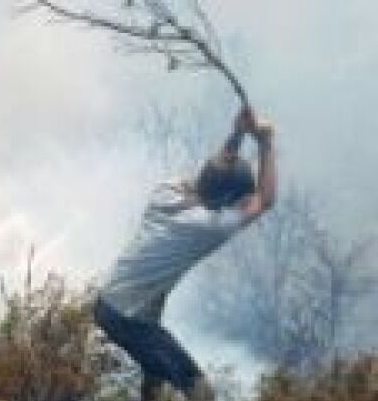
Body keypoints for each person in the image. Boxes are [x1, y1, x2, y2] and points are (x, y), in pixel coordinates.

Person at [95, 107, 277, 400]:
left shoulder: (166, 193)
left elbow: (214, 174)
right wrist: (266, 143)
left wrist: (238, 133)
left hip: (114, 304)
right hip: (129, 318)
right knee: (201, 392)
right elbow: (265, 201)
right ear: (227, 201)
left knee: (154, 375)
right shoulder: (207, 226)